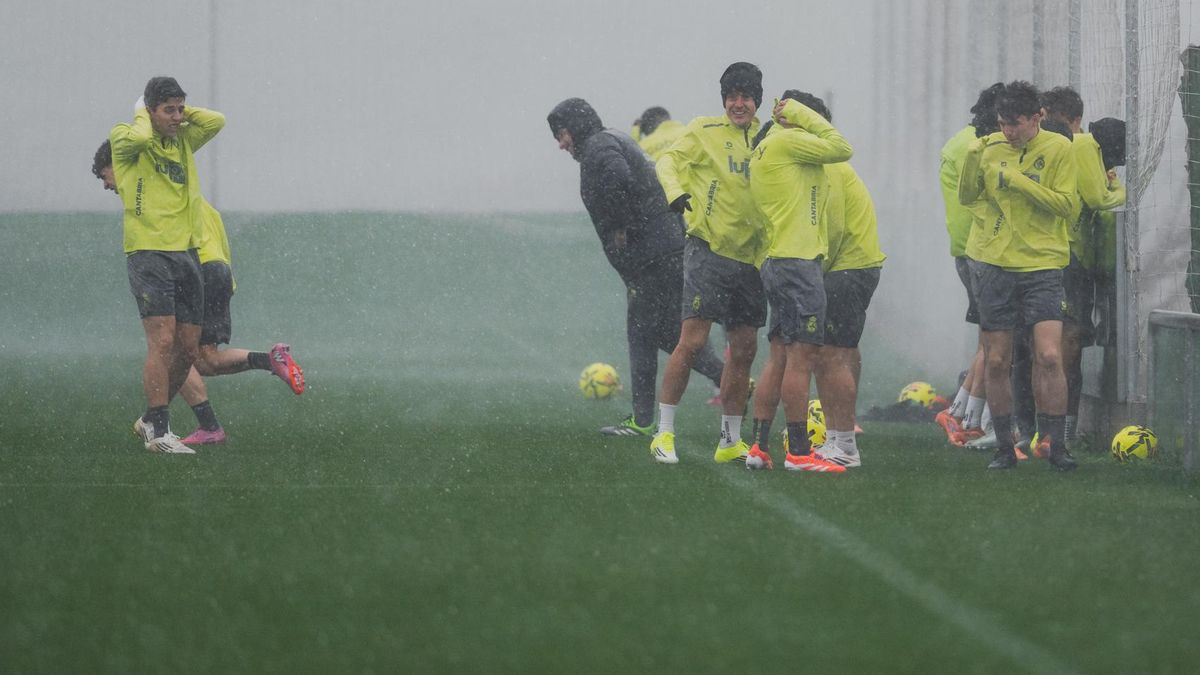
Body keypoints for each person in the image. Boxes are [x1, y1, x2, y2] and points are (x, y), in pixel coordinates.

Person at [93, 140, 305, 445]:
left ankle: (157, 421)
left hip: (191, 269)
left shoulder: (164, 198)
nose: (106, 185)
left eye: (104, 176)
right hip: (219, 272)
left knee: (171, 351)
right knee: (206, 360)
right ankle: (269, 362)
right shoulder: (196, 199)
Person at [547, 98, 726, 437]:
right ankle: (727, 379)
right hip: (665, 249)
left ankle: (643, 421)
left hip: (653, 256)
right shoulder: (610, 139)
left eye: (562, 134)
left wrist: (621, 224)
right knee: (669, 333)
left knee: (643, 333)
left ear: (576, 127)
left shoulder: (598, 147)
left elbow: (618, 177)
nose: (561, 143)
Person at [649, 62, 768, 465]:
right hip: (709, 251)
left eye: (746, 97)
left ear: (757, 101)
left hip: (752, 260)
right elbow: (667, 162)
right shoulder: (704, 130)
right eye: (732, 97)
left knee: (744, 350)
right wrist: (675, 193)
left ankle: (730, 440)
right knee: (693, 342)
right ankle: (664, 433)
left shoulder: (769, 137)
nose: (738, 104)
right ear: (723, 101)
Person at [958, 81, 1079, 471]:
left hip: (1043, 266)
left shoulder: (1059, 148)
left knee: (1049, 355)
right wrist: (973, 158)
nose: (1008, 131)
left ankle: (1055, 445)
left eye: (1015, 123)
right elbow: (967, 197)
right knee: (997, 361)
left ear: (1037, 117)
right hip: (993, 265)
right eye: (1002, 123)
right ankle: (1004, 447)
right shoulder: (990, 147)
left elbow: (1065, 205)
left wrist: (1017, 180)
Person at [108, 76, 223, 454]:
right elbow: (141, 136)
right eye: (168, 110)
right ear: (149, 111)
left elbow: (216, 121)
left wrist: (181, 114)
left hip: (187, 253)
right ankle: (159, 432)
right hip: (149, 252)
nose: (177, 117)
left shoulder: (183, 139)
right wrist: (143, 114)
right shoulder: (126, 137)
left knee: (188, 350)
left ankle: (149, 419)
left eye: (180, 109)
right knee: (162, 341)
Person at [742, 91, 853, 473]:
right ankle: (799, 452)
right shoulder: (787, 141)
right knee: (802, 359)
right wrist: (801, 114)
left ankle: (759, 446)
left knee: (779, 357)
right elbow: (842, 147)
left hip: (777, 260)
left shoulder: (767, 147)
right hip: (797, 262)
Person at [1040, 88, 1127, 446]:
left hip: (1057, 256)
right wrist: (1121, 191)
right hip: (1068, 257)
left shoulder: (1060, 146)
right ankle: (1056, 431)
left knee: (1047, 345)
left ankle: (1042, 430)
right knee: (1066, 343)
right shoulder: (1084, 145)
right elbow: (1099, 199)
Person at [935, 82, 1003, 448]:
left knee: (989, 338)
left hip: (968, 248)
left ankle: (963, 412)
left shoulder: (961, 141)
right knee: (995, 338)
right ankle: (971, 417)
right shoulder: (977, 147)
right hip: (980, 249)